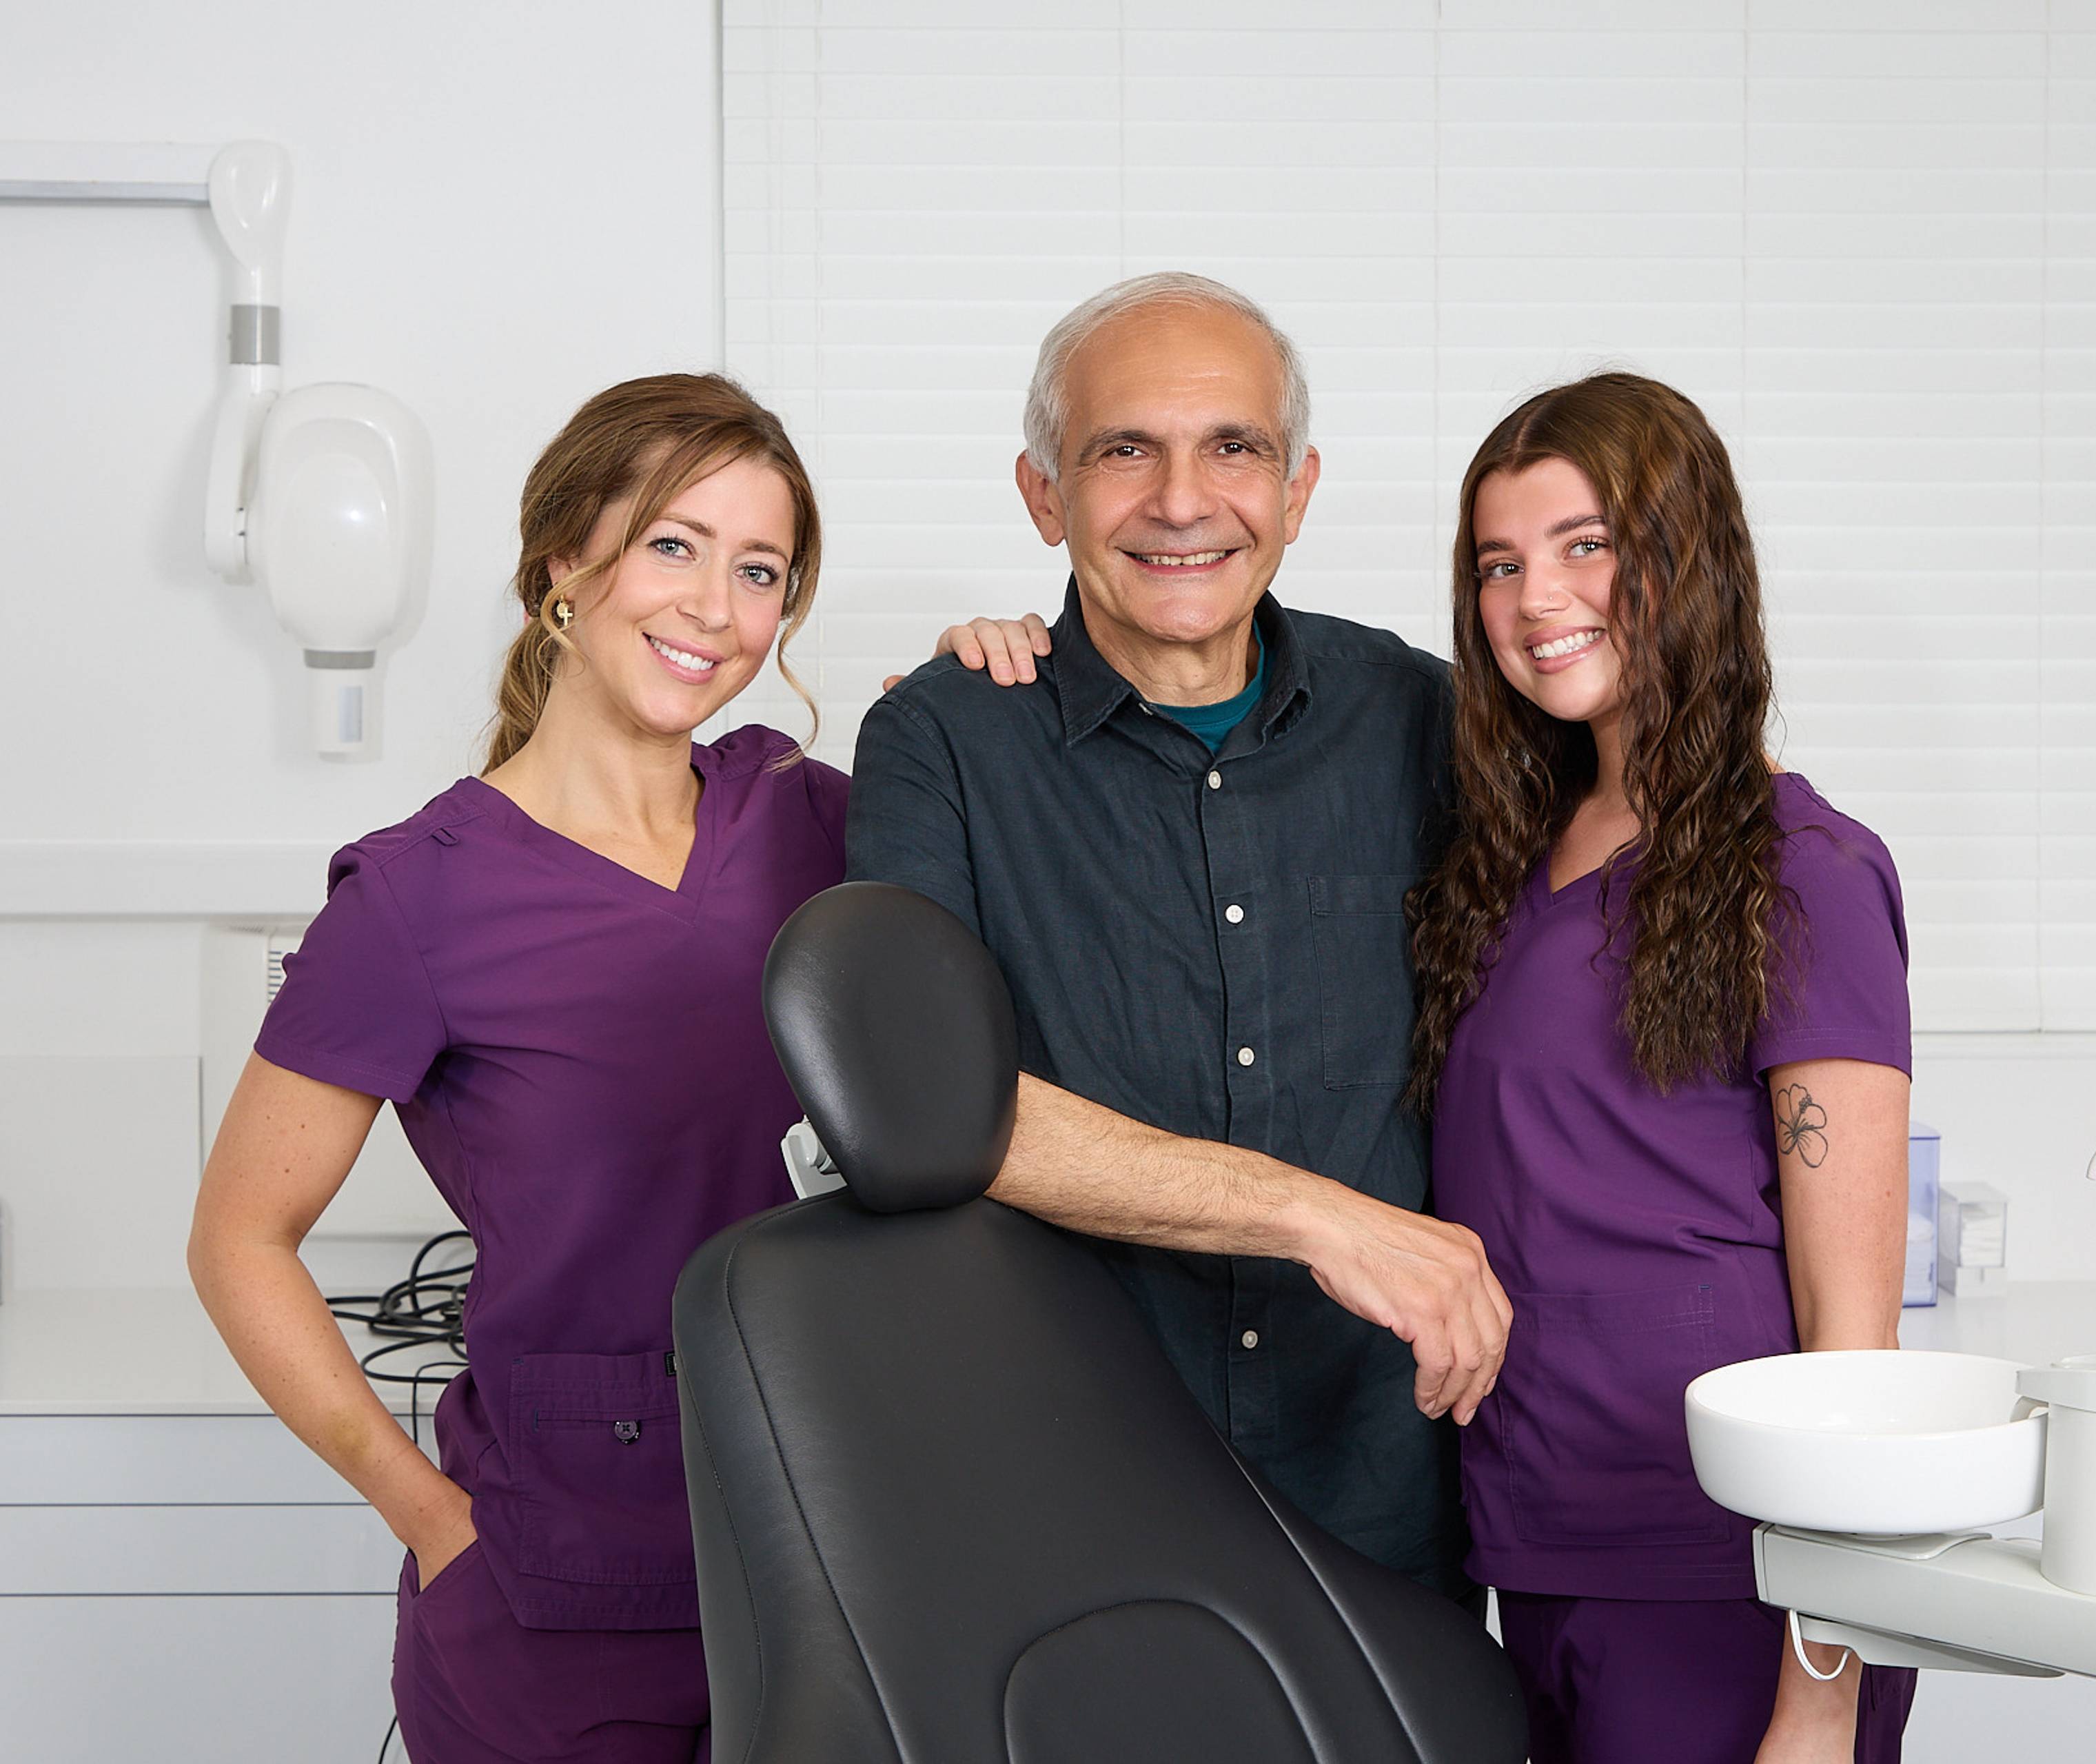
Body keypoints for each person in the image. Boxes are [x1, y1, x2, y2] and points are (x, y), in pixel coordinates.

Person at [187, 374, 845, 1764]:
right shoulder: (418, 899)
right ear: (562, 560)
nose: (715, 607)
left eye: (760, 568)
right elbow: (238, 1236)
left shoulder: (809, 818)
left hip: (834, 1557)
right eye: (673, 543)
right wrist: (424, 1512)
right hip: (554, 1601)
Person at [846, 272, 1512, 1601]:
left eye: (1234, 449)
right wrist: (1316, 1217)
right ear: (1045, 494)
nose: (1183, 500)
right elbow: (926, 1106)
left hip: (1381, 1496)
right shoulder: (944, 740)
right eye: (1123, 449)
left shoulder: (1431, 722)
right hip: (1062, 1495)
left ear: (1300, 488)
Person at [1407, 372, 1915, 1763]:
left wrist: (1819, 1688)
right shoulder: (1508, 863)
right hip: (1540, 1542)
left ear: (1685, 558)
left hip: (1728, 1578)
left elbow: (1854, 1337)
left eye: (1586, 545)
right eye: (1499, 563)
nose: (1534, 598)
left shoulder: (1799, 873)